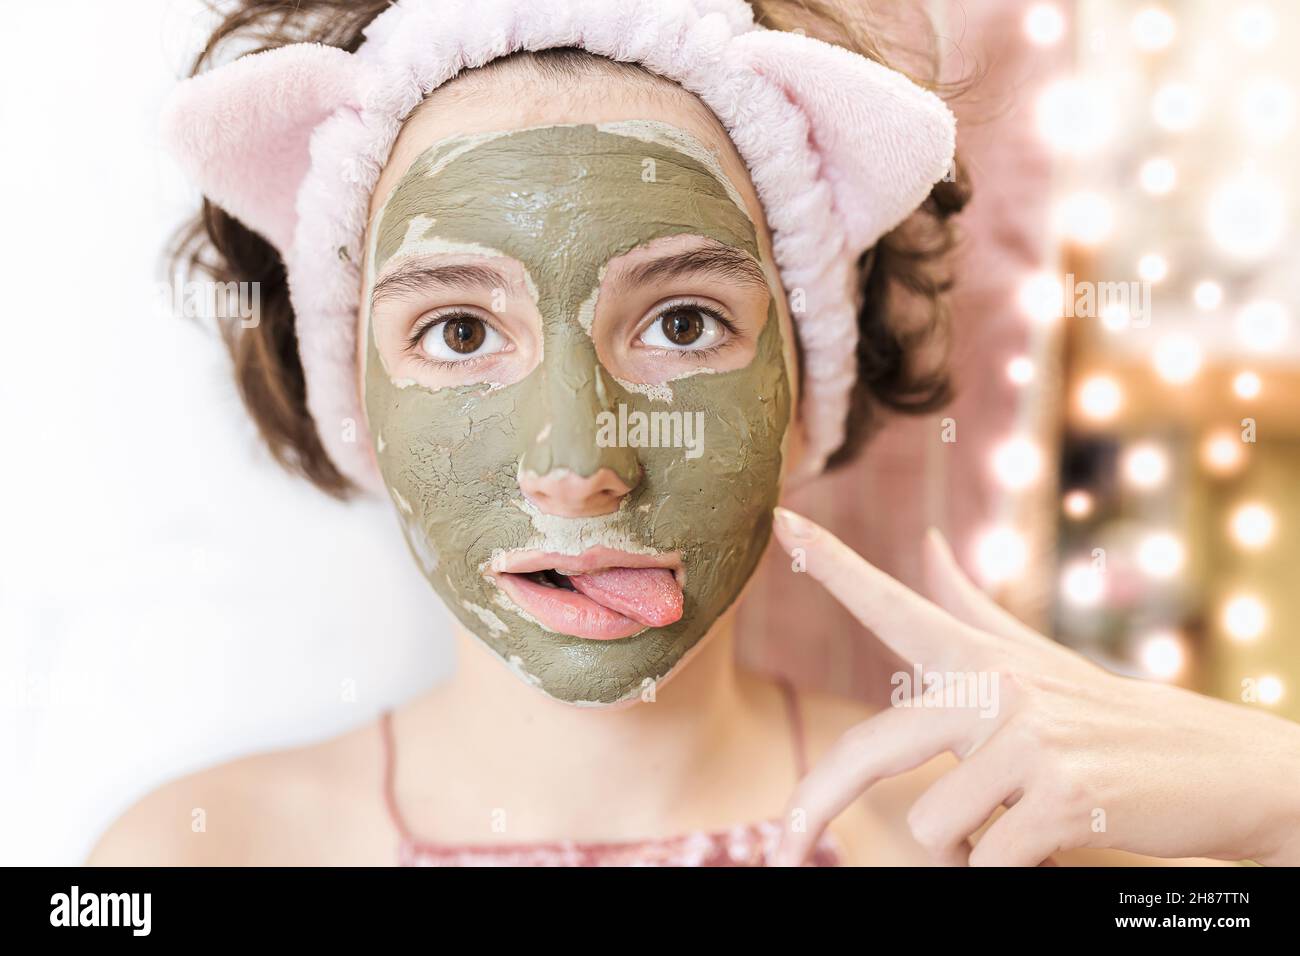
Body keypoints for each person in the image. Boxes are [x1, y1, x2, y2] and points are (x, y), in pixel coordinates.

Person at [88, 0, 1299, 867]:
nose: (576, 466)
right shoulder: (192, 857)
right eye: (458, 332)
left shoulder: (992, 840)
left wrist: (1276, 800)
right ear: (349, 388)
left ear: (809, 379)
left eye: (680, 320)